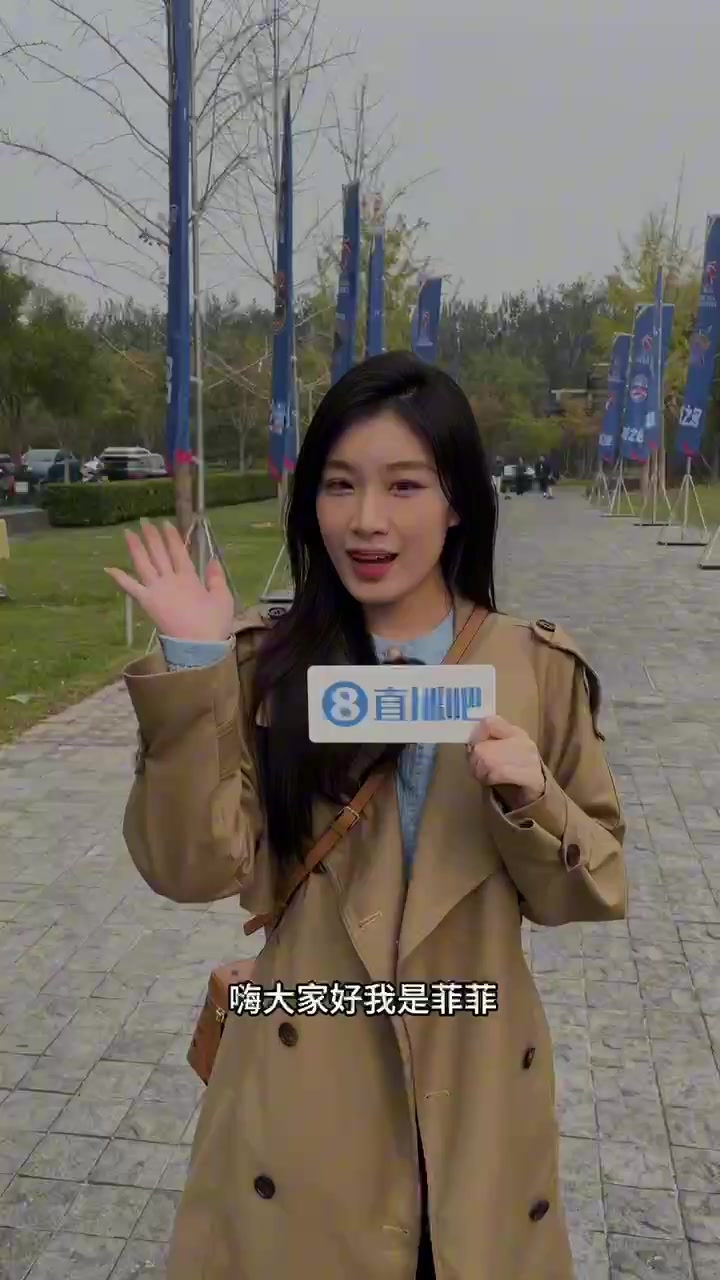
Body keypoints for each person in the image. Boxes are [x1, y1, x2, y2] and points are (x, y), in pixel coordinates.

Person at [108, 352, 626, 1280]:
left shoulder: (538, 671)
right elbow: (192, 870)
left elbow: (593, 887)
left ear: (458, 502)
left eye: (405, 485)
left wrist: (532, 798)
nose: (367, 520)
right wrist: (194, 667)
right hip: (306, 1057)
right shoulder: (266, 667)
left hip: (470, 1059)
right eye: (340, 485)